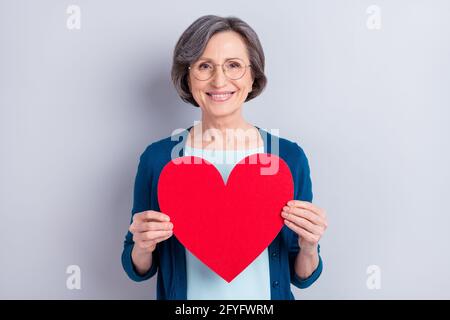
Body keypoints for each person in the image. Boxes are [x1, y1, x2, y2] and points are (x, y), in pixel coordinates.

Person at [121, 15, 328, 300]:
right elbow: (138, 269)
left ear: (253, 74)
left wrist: (309, 246)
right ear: (188, 75)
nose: (219, 80)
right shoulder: (158, 159)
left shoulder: (288, 158)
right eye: (205, 66)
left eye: (234, 65)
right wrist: (142, 246)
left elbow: (301, 277)